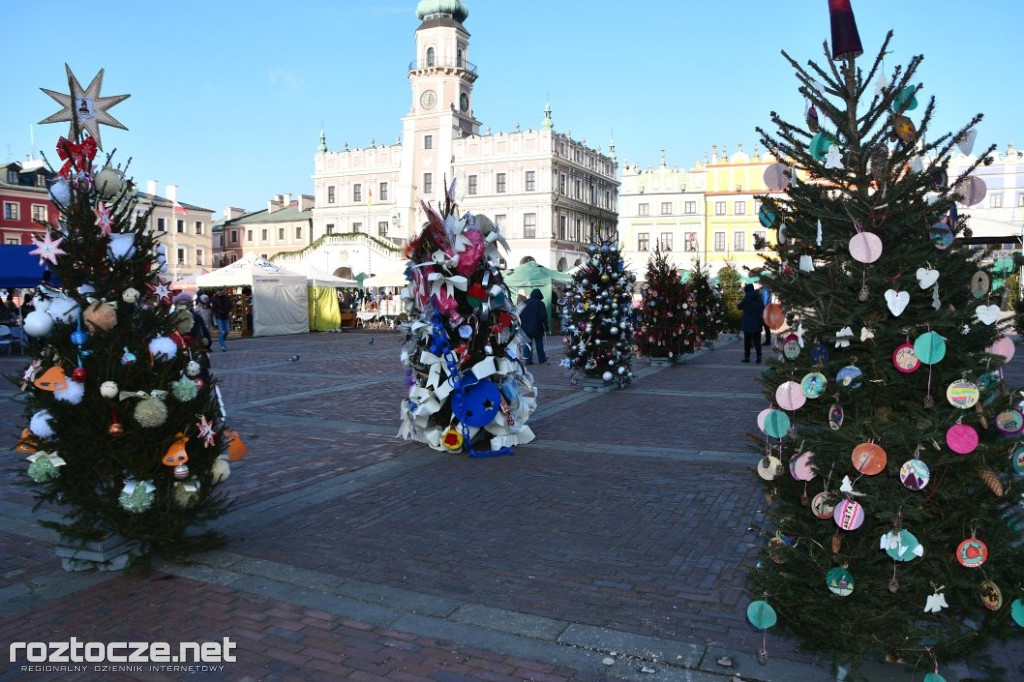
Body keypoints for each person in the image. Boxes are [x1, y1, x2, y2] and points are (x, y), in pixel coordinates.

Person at [518, 288, 549, 365]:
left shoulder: (524, 303)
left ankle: (528, 360)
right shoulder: (540, 303)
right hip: (537, 327)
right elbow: (543, 316)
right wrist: (546, 326)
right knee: (539, 343)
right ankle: (541, 358)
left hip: (525, 327)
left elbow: (518, 314)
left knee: (527, 344)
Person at [738, 283, 765, 364]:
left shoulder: (746, 298)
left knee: (747, 342)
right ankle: (759, 357)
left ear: (746, 290)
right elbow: (763, 307)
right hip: (757, 322)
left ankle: (747, 357)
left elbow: (739, 307)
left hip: (748, 323)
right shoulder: (759, 297)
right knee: (757, 341)